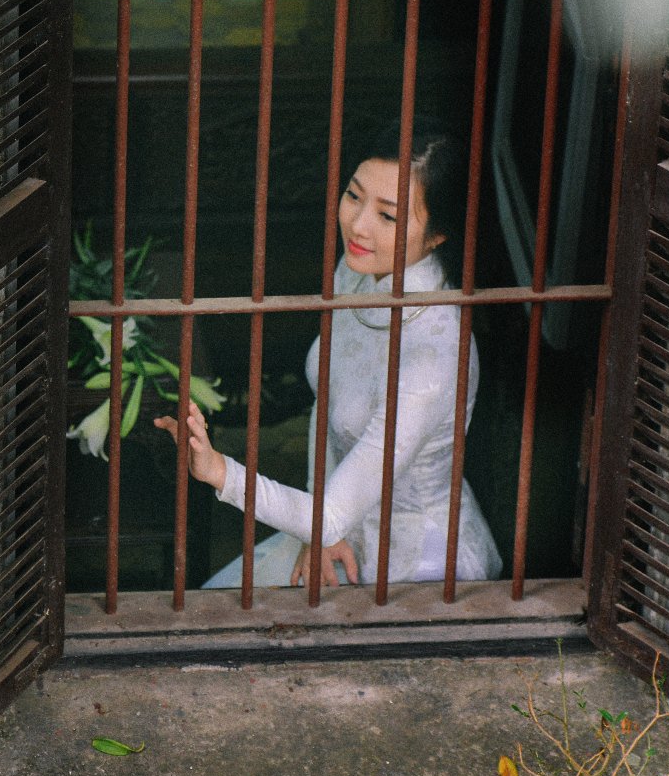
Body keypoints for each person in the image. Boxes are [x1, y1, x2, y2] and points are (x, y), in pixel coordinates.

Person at [156, 131, 503, 588]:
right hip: (334, 525)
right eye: (353, 196)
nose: (358, 226)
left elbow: (332, 514)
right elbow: (327, 400)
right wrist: (317, 523)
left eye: (388, 216)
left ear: (439, 235)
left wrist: (220, 471)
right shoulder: (358, 272)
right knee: (210, 608)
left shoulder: (434, 353)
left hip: (417, 563)